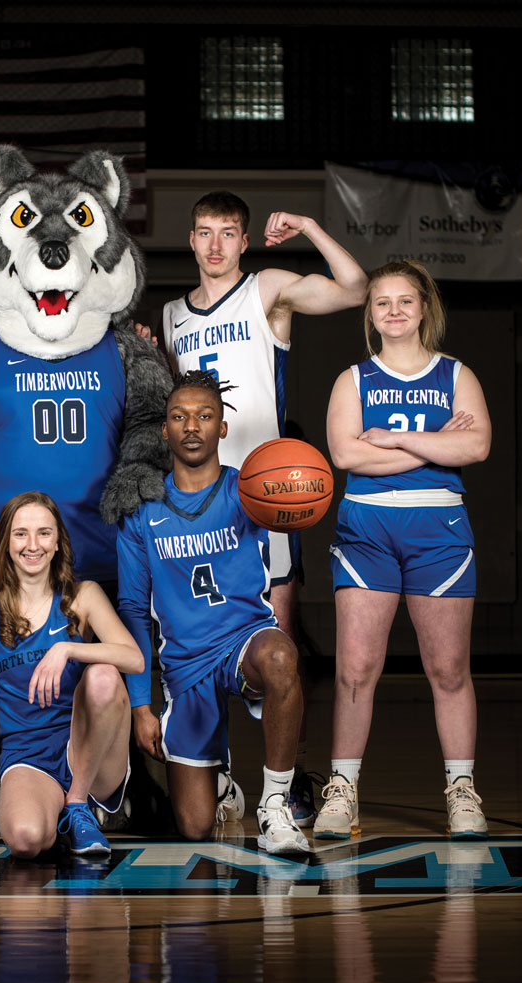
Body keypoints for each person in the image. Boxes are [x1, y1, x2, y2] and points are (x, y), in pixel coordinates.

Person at [159, 191, 367, 829]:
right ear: (191, 241)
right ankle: (219, 777)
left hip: (269, 499)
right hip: (200, 502)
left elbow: (355, 289)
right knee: (202, 641)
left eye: (227, 233)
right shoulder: (170, 316)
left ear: (243, 242)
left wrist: (307, 226)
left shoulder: (267, 289)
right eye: (204, 232)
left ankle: (287, 778)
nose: (215, 245)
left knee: (276, 651)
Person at [318, 259, 492, 840]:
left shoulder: (457, 374)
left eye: (404, 301)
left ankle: (462, 788)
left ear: (424, 309)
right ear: (369, 313)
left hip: (439, 532)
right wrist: (438, 444)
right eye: (381, 302)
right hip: (367, 529)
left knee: (447, 669)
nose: (393, 311)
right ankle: (342, 789)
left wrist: (392, 438)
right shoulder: (353, 380)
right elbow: (346, 457)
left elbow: (480, 445)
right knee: (357, 669)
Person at [117, 371, 311, 854]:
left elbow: (296, 498)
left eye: (205, 416)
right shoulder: (142, 512)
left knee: (282, 657)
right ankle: (221, 782)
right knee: (195, 827)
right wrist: (142, 704)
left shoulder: (250, 492)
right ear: (164, 430)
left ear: (222, 428)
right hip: (186, 664)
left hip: (245, 642)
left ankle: (275, 806)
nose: (191, 427)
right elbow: (133, 610)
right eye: (179, 417)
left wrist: (301, 490)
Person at [0, 492, 142, 858]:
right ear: (5, 542)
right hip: (27, 754)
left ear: (58, 543)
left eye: (44, 533)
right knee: (26, 839)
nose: (33, 545)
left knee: (103, 675)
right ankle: (40, 806)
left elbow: (133, 658)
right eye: (21, 534)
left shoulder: (82, 596)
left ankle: (76, 805)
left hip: (90, 752)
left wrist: (68, 648)